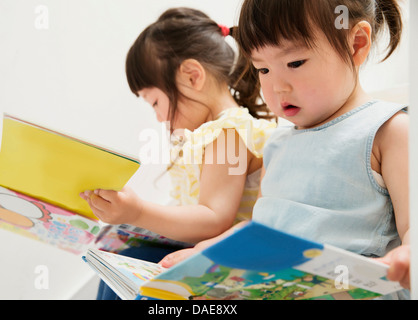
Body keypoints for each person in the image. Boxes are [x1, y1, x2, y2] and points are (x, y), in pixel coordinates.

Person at [161, 0, 411, 298]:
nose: (277, 87)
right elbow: (261, 226)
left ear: (356, 44)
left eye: (295, 63)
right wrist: (205, 251)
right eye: (263, 69)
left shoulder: (389, 130)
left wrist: (407, 256)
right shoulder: (277, 145)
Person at [80, 7, 276, 299]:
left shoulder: (227, 133)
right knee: (123, 264)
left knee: (136, 273)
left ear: (192, 76)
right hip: (207, 253)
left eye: (156, 102)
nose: (159, 118)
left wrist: (138, 212)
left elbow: (214, 219)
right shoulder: (207, 135)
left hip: (231, 261)